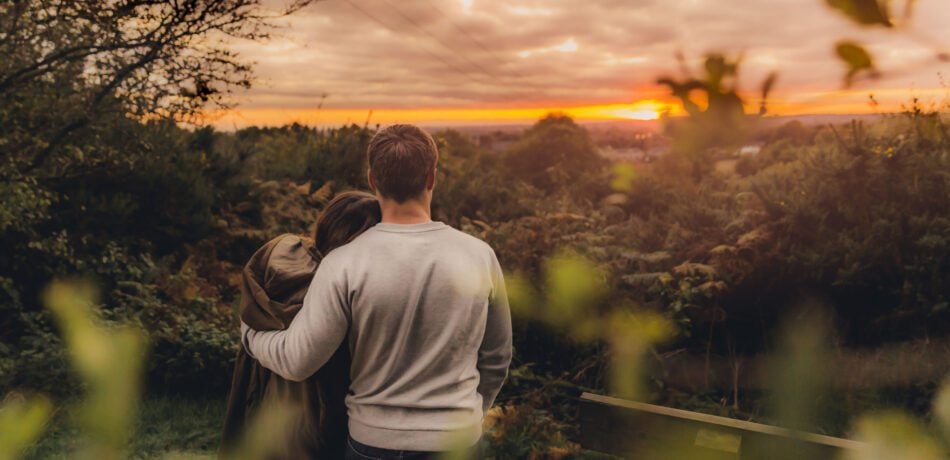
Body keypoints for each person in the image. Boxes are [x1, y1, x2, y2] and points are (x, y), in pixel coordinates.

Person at [243, 124, 513, 459]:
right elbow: (497, 357)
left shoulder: (343, 263)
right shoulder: (479, 255)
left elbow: (298, 360)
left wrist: (251, 334)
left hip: (372, 445)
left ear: (373, 180)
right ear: (431, 177)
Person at [221, 191, 381, 459]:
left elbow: (251, 311)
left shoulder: (280, 257)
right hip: (322, 418)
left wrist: (250, 334)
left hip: (267, 404)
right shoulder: (346, 289)